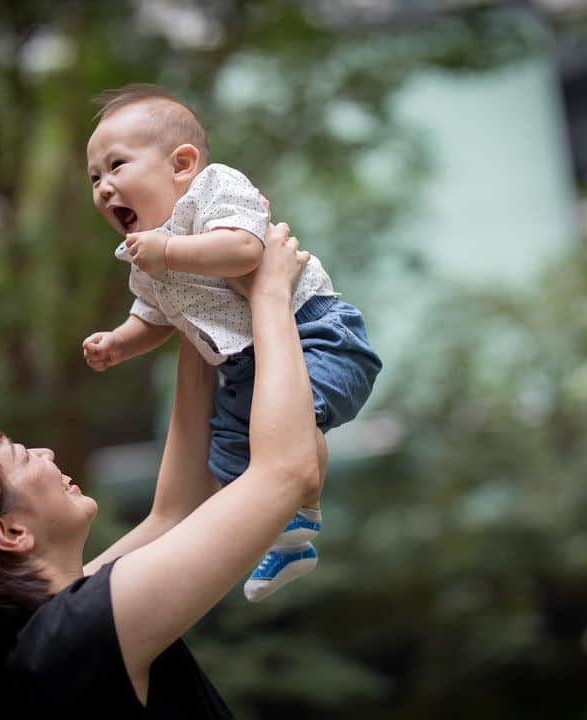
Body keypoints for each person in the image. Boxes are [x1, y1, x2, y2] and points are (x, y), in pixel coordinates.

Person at [0, 222, 322, 717]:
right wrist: (269, 293)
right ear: (10, 532)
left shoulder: (23, 651)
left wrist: (193, 308)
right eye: (22, 457)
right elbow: (288, 473)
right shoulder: (72, 642)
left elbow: (174, 515)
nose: (47, 456)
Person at [82, 83, 382, 601]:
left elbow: (246, 251)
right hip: (246, 366)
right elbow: (155, 318)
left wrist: (170, 249)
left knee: (291, 422)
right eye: (94, 178)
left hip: (315, 334)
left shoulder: (212, 190)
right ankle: (289, 540)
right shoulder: (144, 257)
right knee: (229, 460)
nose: (105, 187)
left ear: (181, 164)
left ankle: (304, 509)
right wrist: (121, 343)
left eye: (117, 165)